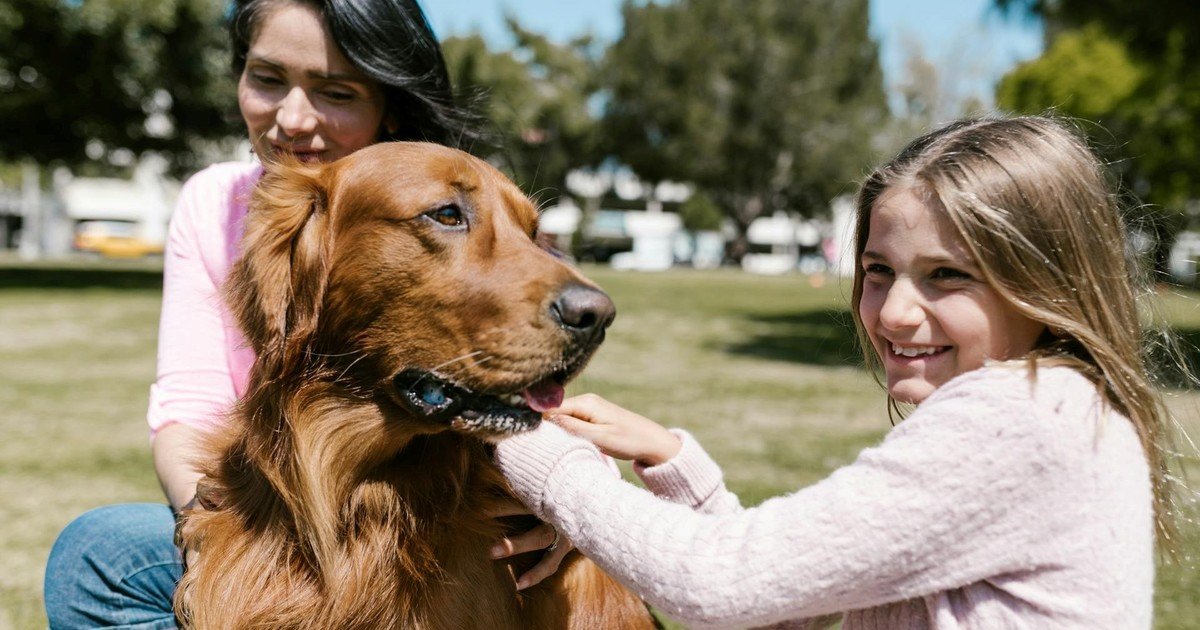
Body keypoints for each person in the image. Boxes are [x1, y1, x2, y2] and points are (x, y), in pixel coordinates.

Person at [493, 115, 1183, 628]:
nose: (896, 314)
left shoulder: (1023, 420)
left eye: (948, 276)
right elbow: (782, 608)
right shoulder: (1061, 408)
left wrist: (522, 436)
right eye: (879, 272)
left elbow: (715, 584)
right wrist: (676, 466)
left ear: (1047, 282)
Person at [44, 1, 564, 627]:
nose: (292, 120)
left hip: (433, 519)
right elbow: (189, 407)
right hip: (265, 500)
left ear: (389, 105)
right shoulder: (215, 202)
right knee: (102, 552)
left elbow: (536, 397)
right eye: (266, 79)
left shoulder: (470, 201)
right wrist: (220, 545)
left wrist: (575, 507)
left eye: (336, 91)